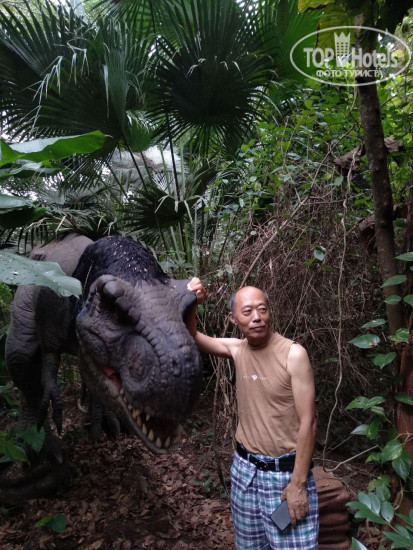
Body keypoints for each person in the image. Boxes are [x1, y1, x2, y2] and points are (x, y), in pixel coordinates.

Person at [187, 280, 318, 550]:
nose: (257, 317)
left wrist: (298, 485)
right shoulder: (237, 350)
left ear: (270, 313)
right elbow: (193, 336)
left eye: (262, 309)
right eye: (247, 312)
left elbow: (309, 422)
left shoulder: (293, 354)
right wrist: (192, 304)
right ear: (233, 319)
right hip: (245, 472)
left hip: (285, 475)